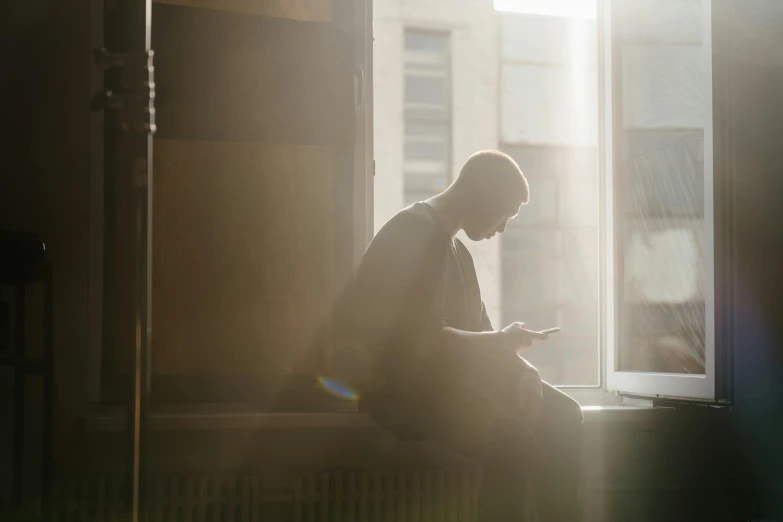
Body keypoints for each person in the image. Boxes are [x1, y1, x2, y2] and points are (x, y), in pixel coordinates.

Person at [318, 150, 583, 521]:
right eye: (505, 211)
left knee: (566, 415)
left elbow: (485, 333)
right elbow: (420, 343)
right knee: (514, 444)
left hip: (448, 383)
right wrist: (502, 345)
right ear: (483, 190)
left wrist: (526, 371)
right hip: (406, 389)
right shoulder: (410, 233)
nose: (503, 227)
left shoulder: (458, 251)